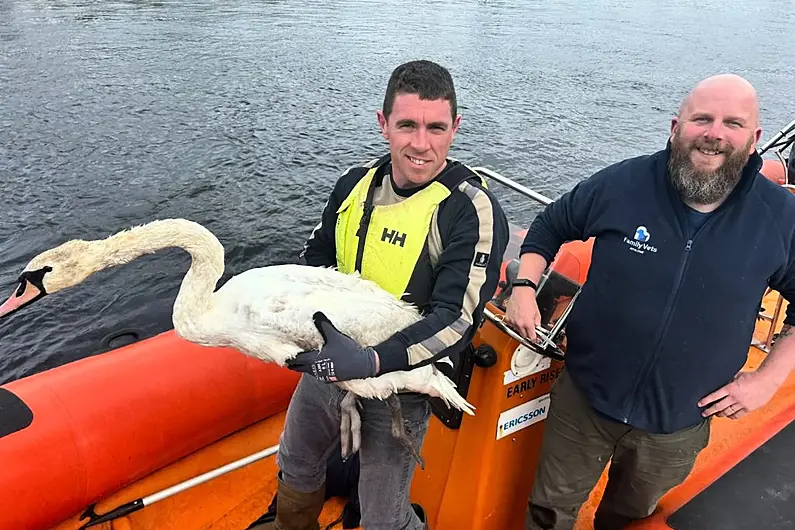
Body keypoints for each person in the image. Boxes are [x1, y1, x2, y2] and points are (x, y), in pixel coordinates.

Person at [506, 74, 795, 530]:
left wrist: (767, 381)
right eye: (702, 119)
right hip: (584, 401)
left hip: (678, 424)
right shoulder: (624, 183)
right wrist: (524, 288)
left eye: (732, 123)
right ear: (676, 126)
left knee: (629, 519)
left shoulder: (779, 216)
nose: (714, 133)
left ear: (755, 138)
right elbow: (549, 226)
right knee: (548, 512)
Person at [252, 60, 509, 530]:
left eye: (435, 127)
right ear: (383, 124)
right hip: (330, 362)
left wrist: (372, 362)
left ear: (455, 128)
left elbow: (456, 319)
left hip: (402, 381)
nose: (420, 143)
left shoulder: (469, 211)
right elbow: (313, 265)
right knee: (296, 459)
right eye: (406, 125)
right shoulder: (354, 185)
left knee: (383, 515)